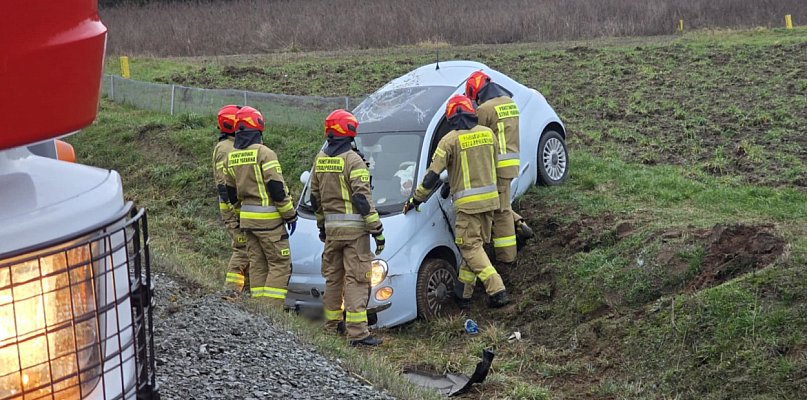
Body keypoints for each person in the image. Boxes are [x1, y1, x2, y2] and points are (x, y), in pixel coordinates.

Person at [403, 95, 510, 309]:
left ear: (452, 118)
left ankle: (497, 289)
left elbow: (432, 176)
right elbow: (492, 166)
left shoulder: (450, 140)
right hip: (491, 202)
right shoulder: (488, 134)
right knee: (475, 247)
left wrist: (416, 199)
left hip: (468, 207)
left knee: (469, 248)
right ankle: (463, 294)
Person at [310, 109, 385, 346]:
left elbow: (315, 197)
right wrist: (377, 230)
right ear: (350, 131)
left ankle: (331, 327)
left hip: (332, 232)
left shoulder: (320, 159)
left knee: (333, 279)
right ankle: (358, 333)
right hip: (355, 234)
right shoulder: (353, 160)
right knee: (357, 279)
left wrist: (322, 226)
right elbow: (362, 198)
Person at [223, 106, 297, 307]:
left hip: (247, 221)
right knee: (279, 264)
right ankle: (271, 312)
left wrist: (241, 214)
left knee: (257, 265)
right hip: (270, 221)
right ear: (259, 128)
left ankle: (259, 312)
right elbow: (276, 187)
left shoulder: (232, 156)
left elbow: (230, 192)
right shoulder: (265, 153)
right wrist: (290, 214)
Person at [465, 71, 534, 264]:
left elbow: (473, 136)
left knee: (500, 211)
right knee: (501, 202)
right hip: (511, 164)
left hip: (495, 166)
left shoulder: (485, 110)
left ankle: (507, 257)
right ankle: (519, 224)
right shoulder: (509, 103)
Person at [213, 104, 250, 297]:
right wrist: (236, 213)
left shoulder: (230, 146)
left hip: (236, 206)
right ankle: (230, 294)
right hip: (233, 208)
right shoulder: (225, 149)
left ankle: (245, 291)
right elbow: (224, 184)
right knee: (242, 248)